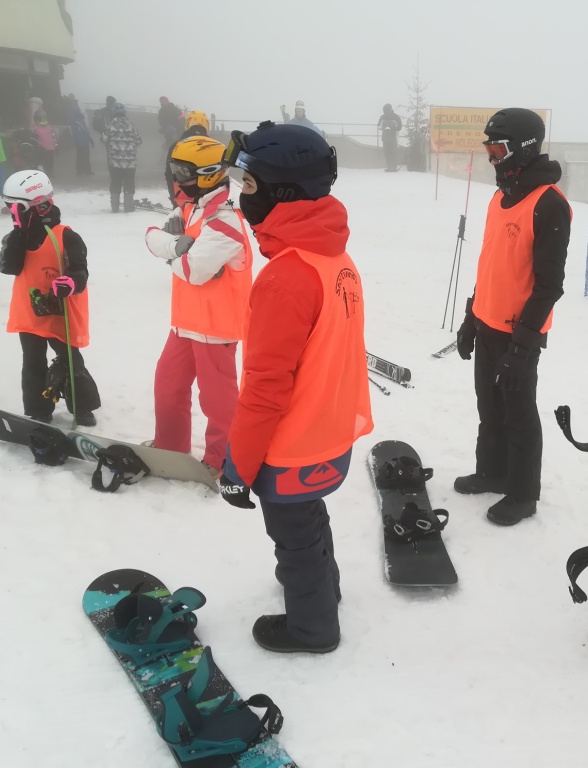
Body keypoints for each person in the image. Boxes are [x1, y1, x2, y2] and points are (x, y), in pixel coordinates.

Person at [219, 121, 373, 653]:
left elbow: (265, 387)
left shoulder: (286, 277)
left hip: (289, 444)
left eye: (249, 186)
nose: (242, 199)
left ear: (282, 192)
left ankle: (313, 627)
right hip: (327, 431)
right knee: (308, 520)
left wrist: (238, 467)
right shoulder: (334, 259)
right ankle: (324, 591)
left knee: (293, 538)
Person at [453, 108, 571, 526]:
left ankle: (522, 493)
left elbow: (549, 286)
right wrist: (471, 318)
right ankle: (493, 471)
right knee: (489, 406)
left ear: (523, 148)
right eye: (488, 149)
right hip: (486, 324)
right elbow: (491, 266)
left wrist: (521, 347)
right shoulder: (499, 198)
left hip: (519, 333)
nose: (492, 158)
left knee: (518, 414)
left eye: (498, 150)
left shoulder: (548, 204)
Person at [144, 135, 252, 479]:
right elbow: (150, 236)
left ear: (208, 174)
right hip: (185, 321)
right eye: (174, 170)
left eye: (182, 172)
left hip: (216, 327)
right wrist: (178, 246)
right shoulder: (191, 208)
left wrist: (173, 251)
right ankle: (170, 447)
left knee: (218, 402)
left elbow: (192, 271)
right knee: (168, 387)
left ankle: (223, 461)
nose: (176, 179)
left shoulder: (226, 221)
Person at [0, 170, 101, 426]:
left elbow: (80, 270)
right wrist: (20, 231)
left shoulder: (66, 236)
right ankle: (38, 409)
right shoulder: (16, 238)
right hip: (29, 312)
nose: (12, 213)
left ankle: (82, 406)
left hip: (59, 311)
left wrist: (71, 282)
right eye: (11, 208)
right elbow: (8, 266)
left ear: (38, 205)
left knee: (70, 359)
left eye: (16, 208)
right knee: (32, 361)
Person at [100, 103, 142, 213]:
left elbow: (103, 139)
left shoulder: (110, 126)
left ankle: (115, 207)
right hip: (130, 162)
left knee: (115, 182)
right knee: (129, 182)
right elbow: (138, 140)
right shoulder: (131, 125)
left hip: (115, 161)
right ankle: (128, 206)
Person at [164, 110, 210, 207]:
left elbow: (169, 174)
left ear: (188, 124)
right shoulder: (212, 146)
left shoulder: (176, 145)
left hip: (181, 196)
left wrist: (173, 198)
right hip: (207, 197)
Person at [66, 94, 94, 176]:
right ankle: (85, 170)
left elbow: (83, 131)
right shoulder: (78, 120)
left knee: (81, 155)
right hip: (82, 141)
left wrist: (89, 139)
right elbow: (83, 131)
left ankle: (82, 170)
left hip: (82, 140)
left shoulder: (76, 120)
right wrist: (89, 139)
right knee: (84, 155)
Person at [377, 104, 402, 172]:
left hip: (394, 138)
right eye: (385, 112)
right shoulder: (382, 117)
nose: (386, 113)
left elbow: (399, 127)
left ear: (390, 110)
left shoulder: (396, 117)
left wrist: (391, 128)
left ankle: (393, 167)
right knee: (387, 153)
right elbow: (379, 126)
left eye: (387, 111)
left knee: (393, 153)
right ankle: (389, 167)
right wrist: (382, 127)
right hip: (385, 138)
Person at [31, 111, 57, 175]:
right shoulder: (34, 127)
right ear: (37, 118)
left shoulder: (48, 126)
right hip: (41, 147)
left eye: (45, 118)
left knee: (50, 160)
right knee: (42, 160)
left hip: (50, 146)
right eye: (42, 118)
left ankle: (50, 171)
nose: (44, 120)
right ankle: (42, 172)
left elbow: (53, 135)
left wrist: (56, 144)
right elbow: (33, 137)